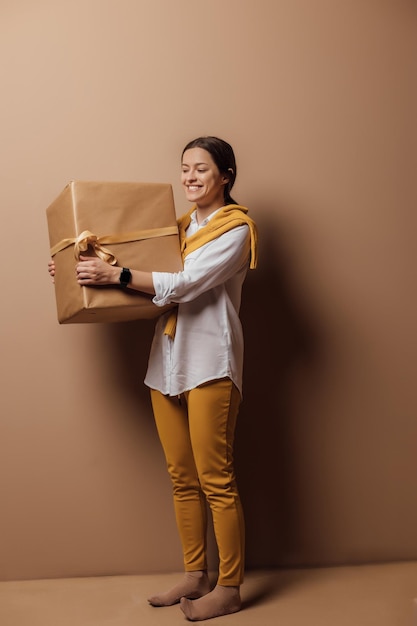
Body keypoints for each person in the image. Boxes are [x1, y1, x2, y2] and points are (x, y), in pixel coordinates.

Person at [48, 136, 257, 621]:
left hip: (211, 364)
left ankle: (229, 587)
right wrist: (75, 273)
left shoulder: (237, 229)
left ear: (225, 175)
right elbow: (149, 292)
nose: (189, 177)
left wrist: (115, 275)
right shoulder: (177, 230)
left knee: (215, 480)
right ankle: (195, 574)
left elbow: (182, 284)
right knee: (182, 478)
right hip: (166, 362)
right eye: (184, 168)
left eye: (201, 169)